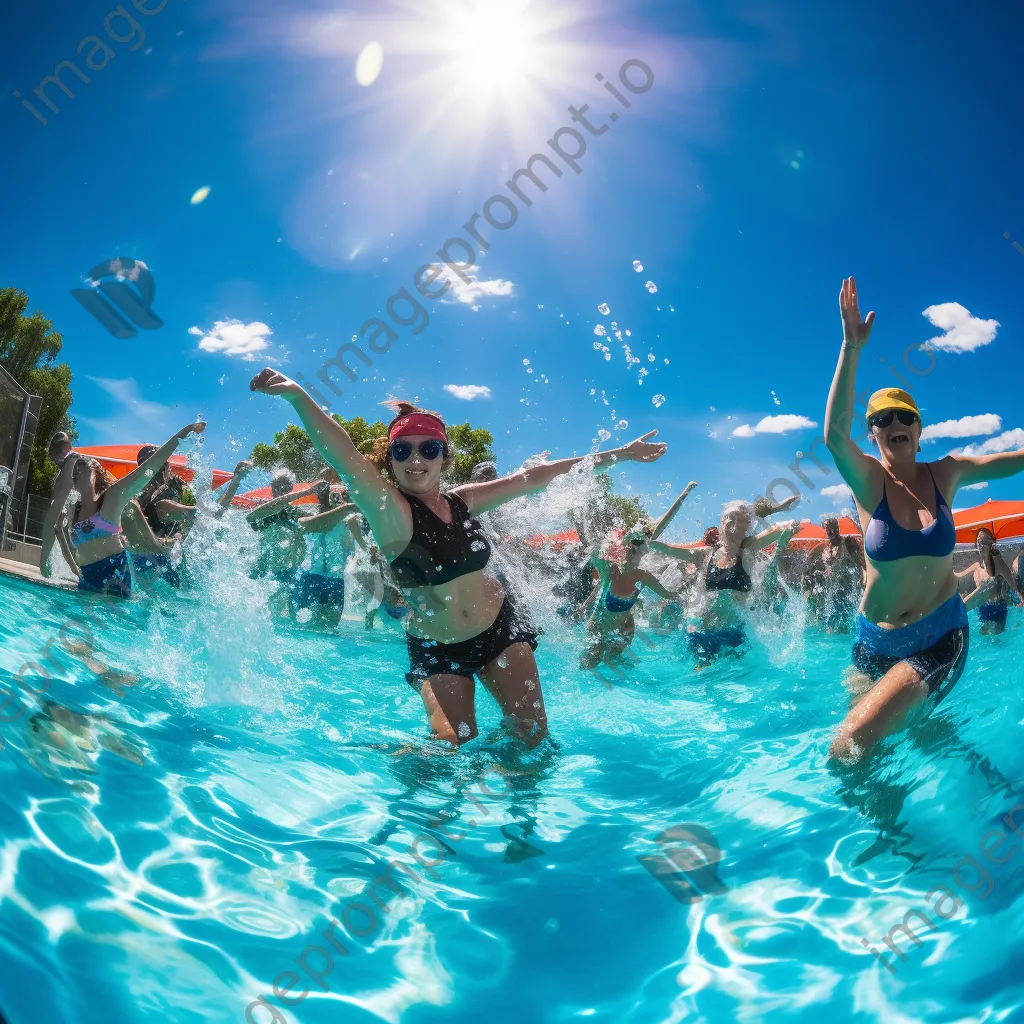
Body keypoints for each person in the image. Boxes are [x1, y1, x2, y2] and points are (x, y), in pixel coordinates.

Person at [249, 367, 667, 747]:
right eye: (403, 451)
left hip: (501, 630)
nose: (416, 460)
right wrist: (299, 397)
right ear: (390, 460)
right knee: (451, 746)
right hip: (438, 647)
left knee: (533, 738)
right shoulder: (389, 512)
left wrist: (621, 454)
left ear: (445, 456)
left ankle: (517, 821)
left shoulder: (462, 501)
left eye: (429, 449)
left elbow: (532, 478)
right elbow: (346, 459)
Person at [824, 276, 1024, 761]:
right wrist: (851, 347)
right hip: (871, 639)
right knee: (877, 759)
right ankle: (895, 838)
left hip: (938, 636)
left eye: (902, 416)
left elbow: (1013, 459)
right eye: (880, 420)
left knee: (849, 744)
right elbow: (832, 436)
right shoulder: (869, 482)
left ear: (919, 428)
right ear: (872, 435)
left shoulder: (946, 473)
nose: (891, 424)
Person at [649, 502, 796, 667]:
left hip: (734, 633)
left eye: (741, 523)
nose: (734, 527)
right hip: (703, 633)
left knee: (737, 683)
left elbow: (779, 529)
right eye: (730, 520)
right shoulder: (705, 555)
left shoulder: (748, 550)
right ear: (721, 522)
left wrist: (775, 511)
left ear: (747, 528)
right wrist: (644, 541)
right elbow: (668, 549)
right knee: (703, 676)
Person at [66, 422, 205, 595]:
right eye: (74, 472)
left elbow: (147, 469)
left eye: (82, 469)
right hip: (85, 585)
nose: (77, 474)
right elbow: (68, 543)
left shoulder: (112, 498)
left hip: (116, 589)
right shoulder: (73, 509)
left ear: (96, 473)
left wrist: (180, 436)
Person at [247, 469, 320, 621]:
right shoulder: (265, 511)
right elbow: (252, 519)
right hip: (265, 566)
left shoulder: (294, 512)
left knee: (289, 613)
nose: (279, 490)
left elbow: (317, 523)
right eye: (276, 485)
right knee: (260, 612)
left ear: (290, 488)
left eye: (284, 486)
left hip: (289, 569)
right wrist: (307, 492)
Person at [294, 480, 361, 629]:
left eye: (340, 496)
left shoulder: (348, 520)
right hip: (313, 577)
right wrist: (345, 509)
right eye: (331, 496)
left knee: (331, 628)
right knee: (309, 627)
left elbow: (360, 545)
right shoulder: (310, 517)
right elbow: (307, 525)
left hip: (336, 579)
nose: (336, 499)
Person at [130, 444, 198, 586]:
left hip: (168, 554)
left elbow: (189, 519)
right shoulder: (140, 495)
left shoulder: (177, 486)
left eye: (163, 464)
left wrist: (179, 535)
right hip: (153, 554)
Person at [803, 516, 864, 633]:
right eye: (827, 528)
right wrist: (808, 588)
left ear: (837, 528)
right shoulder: (823, 548)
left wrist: (864, 577)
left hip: (846, 590)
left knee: (841, 620)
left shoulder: (847, 543)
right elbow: (812, 569)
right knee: (829, 621)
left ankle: (842, 641)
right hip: (829, 591)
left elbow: (860, 562)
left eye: (832, 528)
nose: (830, 531)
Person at [957, 528, 1017, 634]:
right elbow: (959, 575)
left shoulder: (993, 565)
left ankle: (986, 587)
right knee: (988, 632)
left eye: (984, 544)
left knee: (991, 581)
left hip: (994, 605)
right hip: (985, 606)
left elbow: (1011, 582)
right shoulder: (978, 567)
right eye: (980, 544)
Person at [39, 432, 80, 578]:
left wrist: (43, 559)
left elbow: (65, 491)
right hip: (72, 510)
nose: (56, 452)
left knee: (62, 531)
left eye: (60, 447)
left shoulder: (71, 459)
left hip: (70, 509)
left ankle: (46, 564)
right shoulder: (66, 464)